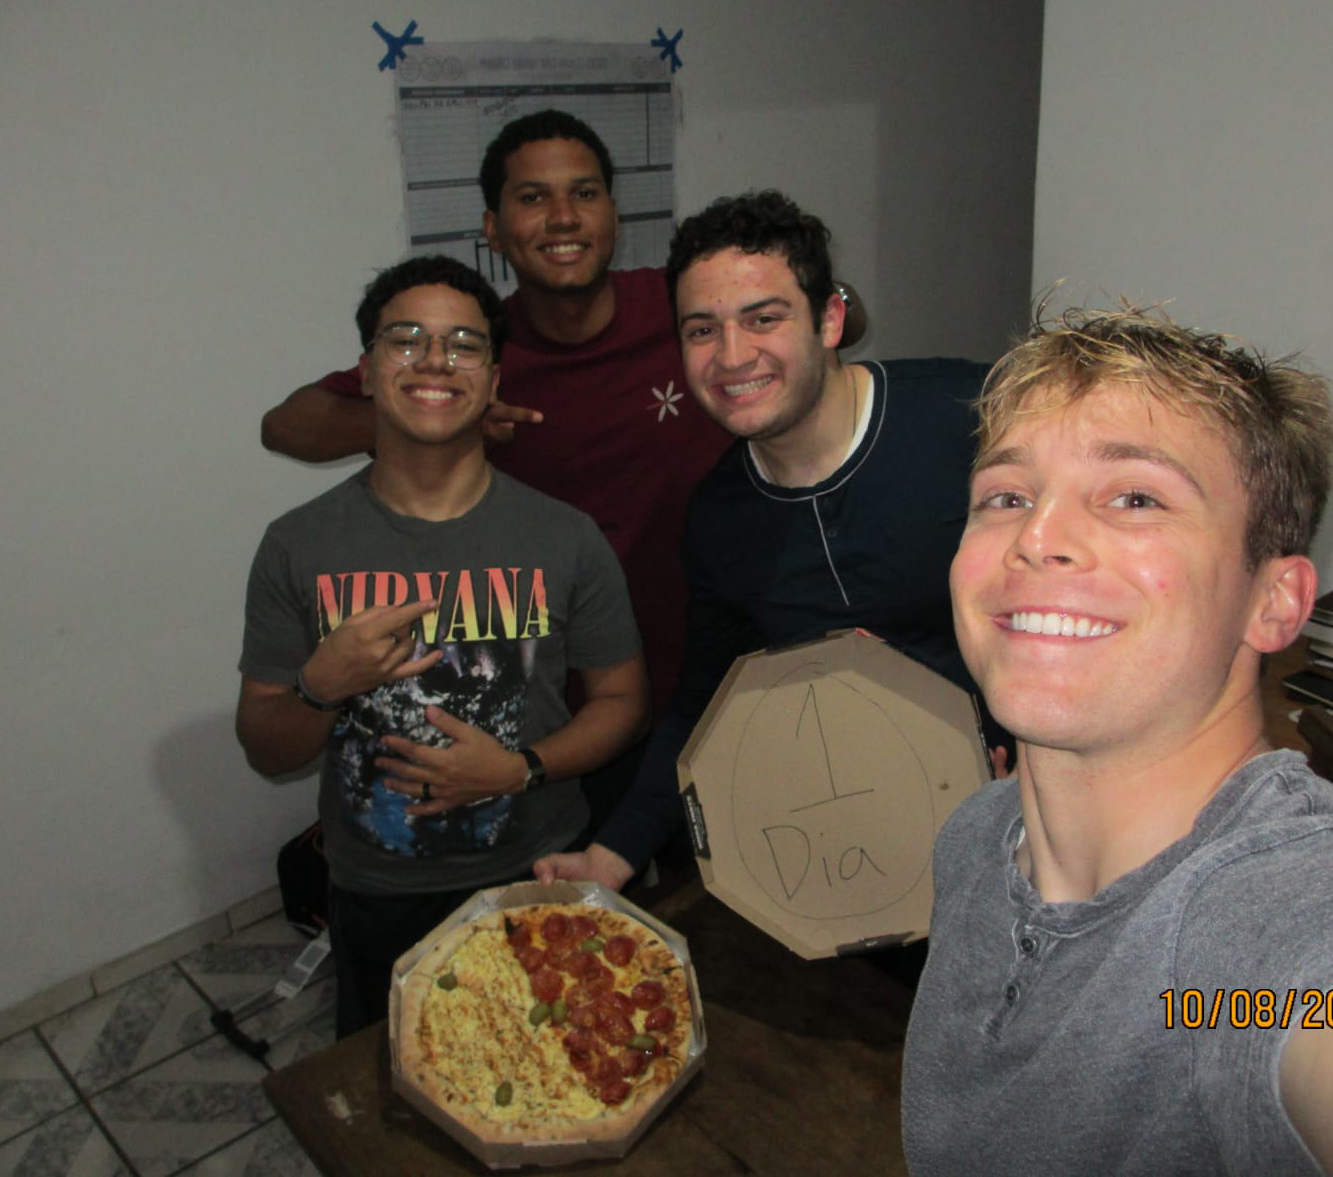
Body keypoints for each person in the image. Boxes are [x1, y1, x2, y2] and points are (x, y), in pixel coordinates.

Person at [900, 306, 1333, 1175]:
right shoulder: (974, 839)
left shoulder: (1246, 958)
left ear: (1275, 603)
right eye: (1007, 496)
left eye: (1136, 497)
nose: (1036, 538)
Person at [536, 191, 1010, 891]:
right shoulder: (720, 518)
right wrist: (611, 856)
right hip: (864, 848)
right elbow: (708, 699)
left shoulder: (972, 415)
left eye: (764, 319)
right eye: (703, 330)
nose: (732, 356)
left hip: (1038, 817)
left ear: (830, 320)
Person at [237, 256, 650, 1036]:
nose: (434, 360)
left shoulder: (565, 537)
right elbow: (264, 747)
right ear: (366, 372)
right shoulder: (297, 545)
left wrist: (521, 768)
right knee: (397, 1084)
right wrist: (321, 685)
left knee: (551, 1071)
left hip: (540, 869)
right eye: (406, 339)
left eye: (464, 344)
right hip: (379, 892)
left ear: (493, 380)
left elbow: (624, 700)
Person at [260, 110, 731, 726]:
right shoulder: (472, 354)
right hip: (553, 697)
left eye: (584, 194)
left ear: (613, 216)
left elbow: (815, 318)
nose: (563, 218)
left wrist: (835, 303)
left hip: (714, 667)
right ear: (494, 230)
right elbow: (286, 425)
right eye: (533, 198)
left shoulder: (682, 303)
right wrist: (448, 416)